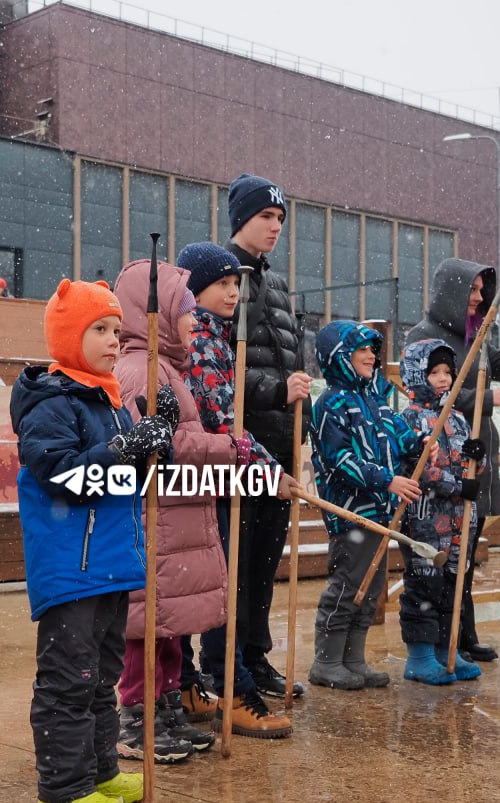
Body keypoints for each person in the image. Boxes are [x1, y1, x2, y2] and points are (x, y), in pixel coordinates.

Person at [11, 277, 172, 803]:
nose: (112, 340)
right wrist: (123, 446)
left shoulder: (111, 399)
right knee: (68, 680)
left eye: (116, 330)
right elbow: (64, 476)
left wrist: (157, 440)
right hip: (71, 568)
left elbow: (130, 481)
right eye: (99, 329)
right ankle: (62, 791)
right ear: (68, 336)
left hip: (110, 564)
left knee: (101, 677)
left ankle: (101, 772)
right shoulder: (52, 402)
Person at [112, 259, 230, 761]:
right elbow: (166, 445)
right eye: (184, 311)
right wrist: (228, 449)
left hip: (175, 516)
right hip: (154, 518)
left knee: (167, 624)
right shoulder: (142, 370)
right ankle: (137, 713)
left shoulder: (167, 369)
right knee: (147, 623)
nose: (193, 321)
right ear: (157, 315)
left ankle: (164, 702)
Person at [176, 241, 294, 738]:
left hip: (215, 474)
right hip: (203, 478)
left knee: (203, 584)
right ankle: (230, 686)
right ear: (194, 289)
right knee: (212, 584)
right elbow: (224, 420)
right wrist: (269, 471)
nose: (232, 292)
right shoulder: (199, 341)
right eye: (221, 283)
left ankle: (188, 682)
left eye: (234, 283)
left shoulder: (218, 337)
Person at [404, 258, 500, 662]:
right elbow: (432, 395)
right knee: (443, 560)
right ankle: (446, 638)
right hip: (443, 465)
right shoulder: (423, 335)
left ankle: (463, 633)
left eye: (482, 290)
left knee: (466, 553)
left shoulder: (474, 334)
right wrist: (486, 397)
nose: (479, 298)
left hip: (473, 456)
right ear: (453, 290)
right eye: (473, 290)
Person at [224, 173, 312, 699]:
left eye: (280, 218)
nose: (275, 226)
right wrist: (275, 391)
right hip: (243, 442)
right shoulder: (223, 274)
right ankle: (230, 662)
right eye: (266, 216)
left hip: (279, 441)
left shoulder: (276, 283)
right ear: (242, 219)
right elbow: (220, 366)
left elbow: (294, 357)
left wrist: (301, 411)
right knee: (238, 559)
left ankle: (255, 657)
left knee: (264, 563)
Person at [308, 320, 422, 689]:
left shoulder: (376, 402)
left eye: (373, 349)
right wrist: (386, 480)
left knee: (370, 590)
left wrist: (423, 444)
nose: (372, 355)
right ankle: (327, 661)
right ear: (340, 356)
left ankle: (353, 659)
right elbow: (340, 460)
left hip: (381, 513)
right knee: (347, 585)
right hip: (351, 513)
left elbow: (403, 439)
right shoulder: (330, 405)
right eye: (362, 349)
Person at [397, 339, 486, 684]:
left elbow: (470, 467)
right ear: (417, 375)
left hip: (460, 519)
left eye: (447, 371)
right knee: (425, 584)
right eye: (434, 372)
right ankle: (419, 656)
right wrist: (455, 485)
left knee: (453, 584)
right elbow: (418, 468)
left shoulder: (459, 418)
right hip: (425, 519)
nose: (443, 378)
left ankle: (447, 649)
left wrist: (476, 456)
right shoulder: (409, 419)